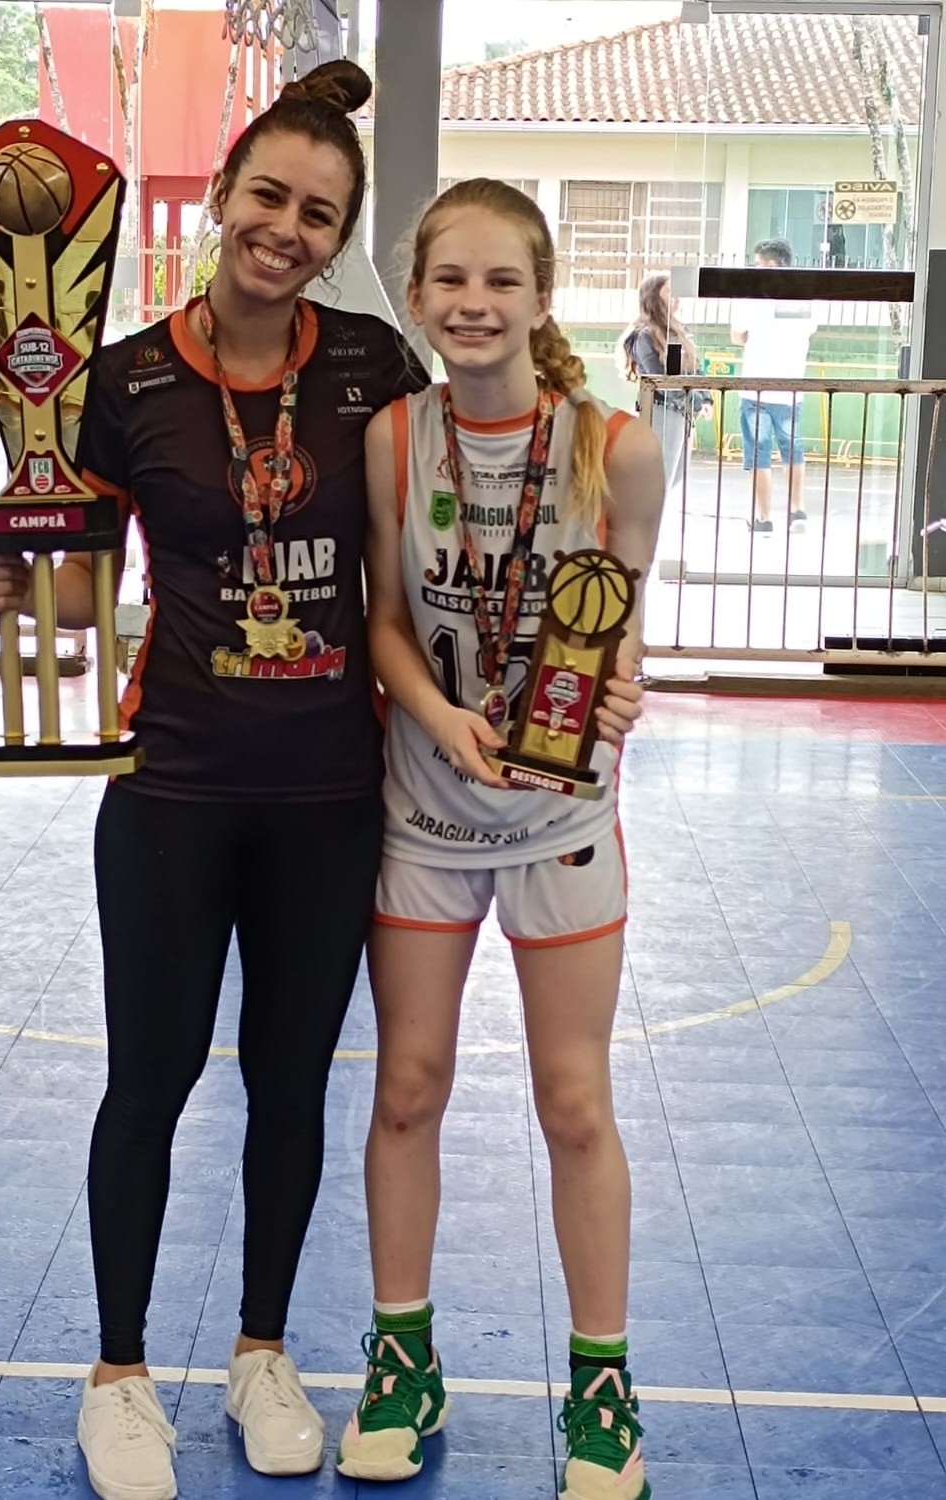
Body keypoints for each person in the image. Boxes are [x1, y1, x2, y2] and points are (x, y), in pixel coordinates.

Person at [0, 61, 427, 1500]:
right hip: (170, 787)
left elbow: (441, 549)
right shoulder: (124, 383)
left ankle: (262, 1353)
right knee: (151, 1081)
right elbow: (78, 590)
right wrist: (16, 585)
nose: (286, 228)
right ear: (224, 196)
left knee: (290, 1087)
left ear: (339, 237)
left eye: (319, 213)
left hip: (330, 800)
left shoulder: (373, 369)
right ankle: (117, 1378)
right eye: (268, 196)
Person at [334, 178, 664, 1499]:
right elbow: (384, 620)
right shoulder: (392, 438)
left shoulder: (617, 448)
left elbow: (618, 622)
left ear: (541, 297)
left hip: (561, 820)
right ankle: (400, 1363)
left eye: (501, 282)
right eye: (450, 281)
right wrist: (438, 717)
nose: (474, 305)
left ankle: (603, 1390)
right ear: (417, 296)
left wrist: (625, 686)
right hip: (425, 812)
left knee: (574, 1101)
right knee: (407, 1089)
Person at [731, 237, 818, 534]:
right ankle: (797, 511)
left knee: (759, 455)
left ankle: (764, 518)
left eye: (758, 264)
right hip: (791, 387)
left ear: (771, 264)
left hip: (756, 387)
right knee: (792, 451)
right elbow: (810, 331)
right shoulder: (805, 297)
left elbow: (737, 336)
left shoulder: (752, 297)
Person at [620, 272, 713, 502]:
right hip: (660, 412)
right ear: (653, 296)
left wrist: (705, 398)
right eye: (669, 291)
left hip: (682, 413)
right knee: (659, 480)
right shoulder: (644, 335)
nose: (676, 297)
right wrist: (696, 403)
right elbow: (662, 381)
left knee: (674, 476)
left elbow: (695, 367)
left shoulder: (679, 330)